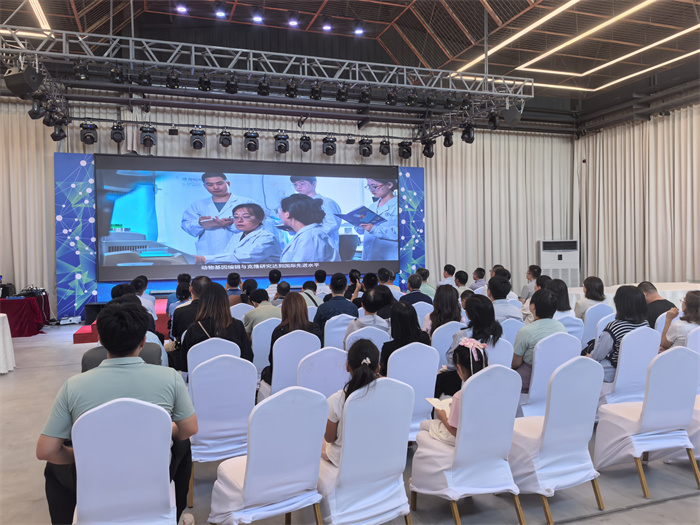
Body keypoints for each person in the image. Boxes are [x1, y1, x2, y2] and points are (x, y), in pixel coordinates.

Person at [36, 300, 198, 524]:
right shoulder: (170, 378)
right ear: (143, 341)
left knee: (54, 467)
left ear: (101, 340)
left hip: (95, 477)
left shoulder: (73, 386)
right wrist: (166, 430)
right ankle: (173, 513)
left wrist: (83, 455)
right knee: (182, 445)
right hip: (151, 475)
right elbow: (189, 429)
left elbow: (45, 450)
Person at [322, 339, 380, 467]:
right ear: (378, 368)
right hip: (380, 459)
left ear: (348, 366)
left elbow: (329, 438)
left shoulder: (336, 400)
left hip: (344, 463)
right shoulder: (391, 395)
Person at [437, 295, 502, 398]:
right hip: (498, 380)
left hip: (468, 383)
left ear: (469, 313)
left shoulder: (463, 335)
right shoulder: (500, 334)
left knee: (440, 379)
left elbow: (451, 364)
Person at [179, 282, 253, 372]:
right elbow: (248, 358)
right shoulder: (238, 326)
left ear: (202, 302)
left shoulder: (194, 329)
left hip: (202, 379)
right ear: (225, 301)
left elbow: (184, 365)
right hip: (233, 376)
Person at [430, 338, 489, 445]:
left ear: (459, 368)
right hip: (487, 437)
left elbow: (456, 432)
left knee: (425, 426)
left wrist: (442, 417)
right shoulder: (493, 390)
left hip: (466, 441)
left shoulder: (460, 396)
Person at [588, 285, 649, 382]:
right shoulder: (646, 325)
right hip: (639, 373)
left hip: (612, 374)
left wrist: (587, 358)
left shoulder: (614, 327)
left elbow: (598, 355)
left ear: (619, 304)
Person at [181, 173, 252, 256]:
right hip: (208, 252)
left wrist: (232, 224)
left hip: (239, 252)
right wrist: (200, 224)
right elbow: (186, 225)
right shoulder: (198, 205)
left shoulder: (246, 202)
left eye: (219, 183)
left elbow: (257, 226)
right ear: (205, 186)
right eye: (210, 185)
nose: (215, 187)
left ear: (228, 183)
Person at [260, 292, 322, 386]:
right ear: (304, 308)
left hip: (282, 379)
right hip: (310, 378)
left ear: (284, 309)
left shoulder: (279, 331)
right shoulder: (315, 329)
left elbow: (272, 359)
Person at [512, 289, 567, 393]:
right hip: (556, 377)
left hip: (530, 377)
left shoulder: (526, 331)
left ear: (532, 306)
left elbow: (516, 363)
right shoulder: (562, 328)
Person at [194, 203, 281, 264]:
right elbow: (227, 256)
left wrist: (204, 259)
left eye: (246, 217)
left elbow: (246, 258)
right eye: (236, 217)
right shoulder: (236, 237)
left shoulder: (268, 238)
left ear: (260, 219)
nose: (239, 220)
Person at [279, 194, 340, 263]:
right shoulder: (307, 235)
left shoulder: (310, 237)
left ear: (287, 214)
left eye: (280, 210)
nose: (279, 213)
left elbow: (303, 268)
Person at [379, 302, 431, 376]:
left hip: (397, 383)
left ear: (394, 322)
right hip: (422, 379)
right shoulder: (424, 338)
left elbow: (384, 374)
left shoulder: (388, 348)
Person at [290, 175, 342, 245]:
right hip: (304, 243)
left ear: (314, 184)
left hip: (323, 244)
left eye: (302, 184)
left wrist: (309, 233)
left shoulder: (326, 203)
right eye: (295, 184)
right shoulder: (298, 205)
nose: (298, 187)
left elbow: (332, 225)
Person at [356, 178, 398, 261]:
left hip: (389, 257)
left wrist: (373, 229)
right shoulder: (372, 206)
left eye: (374, 187)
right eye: (369, 187)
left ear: (389, 185)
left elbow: (401, 233)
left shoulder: (399, 205)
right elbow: (362, 232)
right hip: (369, 256)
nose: (371, 190)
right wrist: (358, 224)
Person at [170, 276, 212, 352]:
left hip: (186, 353)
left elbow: (177, 338)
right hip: (214, 352)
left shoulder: (179, 311)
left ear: (190, 289)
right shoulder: (220, 310)